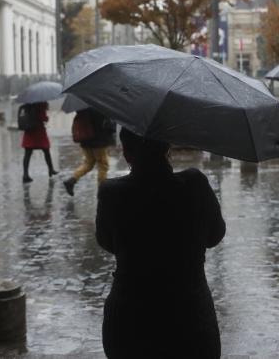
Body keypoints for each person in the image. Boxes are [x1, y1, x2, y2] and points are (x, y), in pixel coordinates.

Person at [96, 128, 226, 358]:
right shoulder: (194, 184)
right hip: (191, 317)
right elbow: (215, 235)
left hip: (130, 320)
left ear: (127, 153)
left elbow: (107, 242)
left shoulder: (112, 193)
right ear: (167, 146)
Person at [63, 108, 116, 196]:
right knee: (103, 165)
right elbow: (105, 125)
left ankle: (71, 180)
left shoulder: (82, 107)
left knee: (89, 163)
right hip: (98, 141)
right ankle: (102, 191)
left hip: (86, 140)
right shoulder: (98, 106)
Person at [21, 102, 57, 183]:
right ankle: (51, 170)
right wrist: (46, 118)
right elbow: (43, 118)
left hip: (29, 131)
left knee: (27, 153)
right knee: (46, 150)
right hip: (38, 131)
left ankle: (25, 175)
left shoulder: (28, 104)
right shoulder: (41, 103)